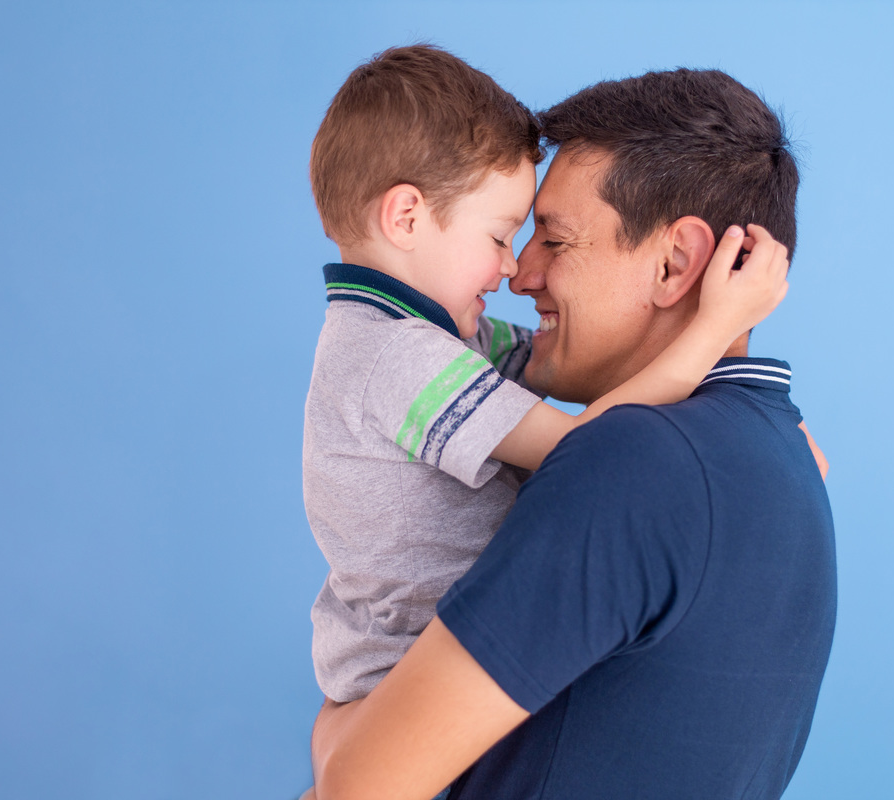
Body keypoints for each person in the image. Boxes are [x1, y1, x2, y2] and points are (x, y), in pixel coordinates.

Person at [309, 67, 837, 800]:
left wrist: (335, 729)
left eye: (552, 240)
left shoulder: (632, 461)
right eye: (508, 236)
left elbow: (357, 786)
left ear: (675, 263)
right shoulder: (782, 458)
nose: (518, 273)